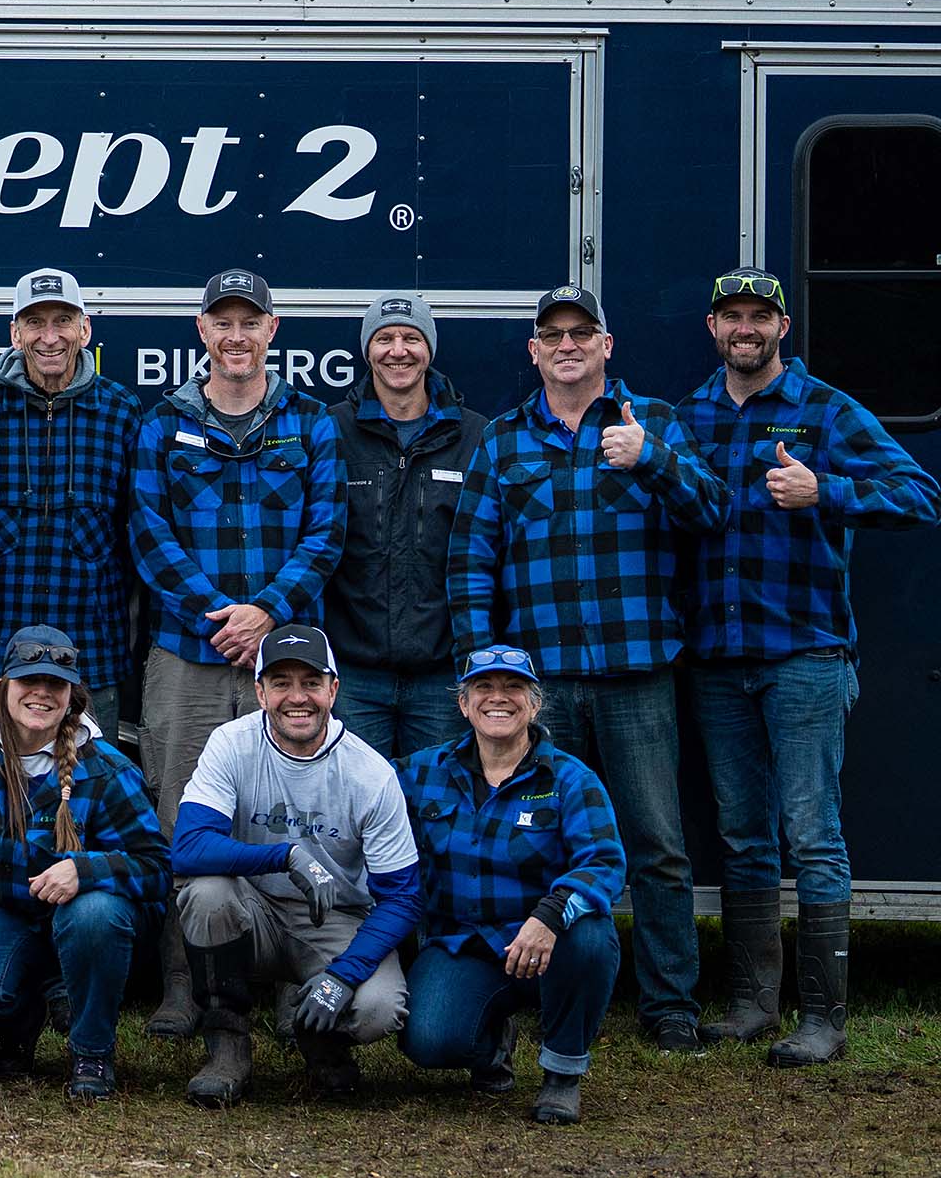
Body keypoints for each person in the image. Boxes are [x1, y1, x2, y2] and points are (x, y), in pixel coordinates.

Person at [447, 283, 728, 1052]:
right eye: (553, 334)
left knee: (656, 843)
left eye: (582, 332)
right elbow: (471, 563)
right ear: (534, 351)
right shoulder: (504, 442)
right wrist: (483, 677)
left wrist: (653, 461)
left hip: (638, 675)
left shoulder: (654, 423)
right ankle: (532, 984)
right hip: (542, 690)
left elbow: (712, 512)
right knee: (534, 842)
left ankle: (671, 1003)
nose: (567, 345)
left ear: (608, 345)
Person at [676, 269, 941, 1066]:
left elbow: (920, 493)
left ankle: (824, 1017)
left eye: (761, 315)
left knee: (812, 834)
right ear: (713, 326)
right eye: (733, 316)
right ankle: (754, 1002)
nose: (746, 328)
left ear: (781, 326)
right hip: (720, 661)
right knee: (743, 836)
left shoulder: (825, 409)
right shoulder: (687, 416)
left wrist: (827, 489)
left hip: (806, 658)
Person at [129, 268, 345, 1039]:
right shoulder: (161, 423)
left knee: (293, 818)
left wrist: (266, 614)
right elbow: (148, 535)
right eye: (222, 322)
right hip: (188, 652)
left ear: (272, 330)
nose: (236, 336)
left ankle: (296, 980)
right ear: (201, 331)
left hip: (285, 659)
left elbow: (327, 534)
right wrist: (221, 616)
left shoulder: (311, 422)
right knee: (178, 817)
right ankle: (183, 984)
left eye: (249, 322)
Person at [172, 627, 420, 1106]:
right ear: (260, 691)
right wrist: (285, 854)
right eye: (281, 682)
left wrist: (344, 975)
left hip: (336, 919)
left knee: (377, 1008)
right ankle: (227, 1048)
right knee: (205, 893)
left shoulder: (370, 773)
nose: (297, 697)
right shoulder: (231, 743)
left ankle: (321, 1043)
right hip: (253, 907)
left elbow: (403, 896)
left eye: (311, 681)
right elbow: (188, 846)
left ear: (334, 689)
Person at [0, 626, 170, 1103]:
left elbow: (157, 869)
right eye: (29, 681)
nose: (41, 693)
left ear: (71, 696)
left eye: (56, 685)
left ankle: (92, 1050)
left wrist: (86, 871)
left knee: (93, 914)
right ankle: (28, 1010)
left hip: (89, 920)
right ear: (4, 688)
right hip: (2, 910)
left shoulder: (107, 769)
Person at [396, 644, 626, 1126]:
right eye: (484, 687)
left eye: (513, 688)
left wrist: (548, 915)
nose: (498, 698)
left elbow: (603, 863)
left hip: (546, 943)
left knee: (589, 935)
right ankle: (491, 1044)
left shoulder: (570, 779)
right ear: (463, 703)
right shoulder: (419, 772)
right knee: (428, 1041)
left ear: (535, 703)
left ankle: (562, 1073)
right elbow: (363, 809)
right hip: (463, 942)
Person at [0, 267, 143, 735]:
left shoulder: (121, 412)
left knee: (93, 795)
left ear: (85, 328)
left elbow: (141, 534)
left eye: (63, 320)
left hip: (90, 653)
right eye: (35, 322)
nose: (50, 336)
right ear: (15, 333)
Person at [326, 294, 485, 757]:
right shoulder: (332, 430)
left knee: (437, 813)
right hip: (353, 676)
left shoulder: (473, 435)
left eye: (411, 338)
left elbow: (488, 552)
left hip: (441, 675)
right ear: (367, 350)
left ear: (429, 349)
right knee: (352, 815)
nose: (398, 350)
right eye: (385, 338)